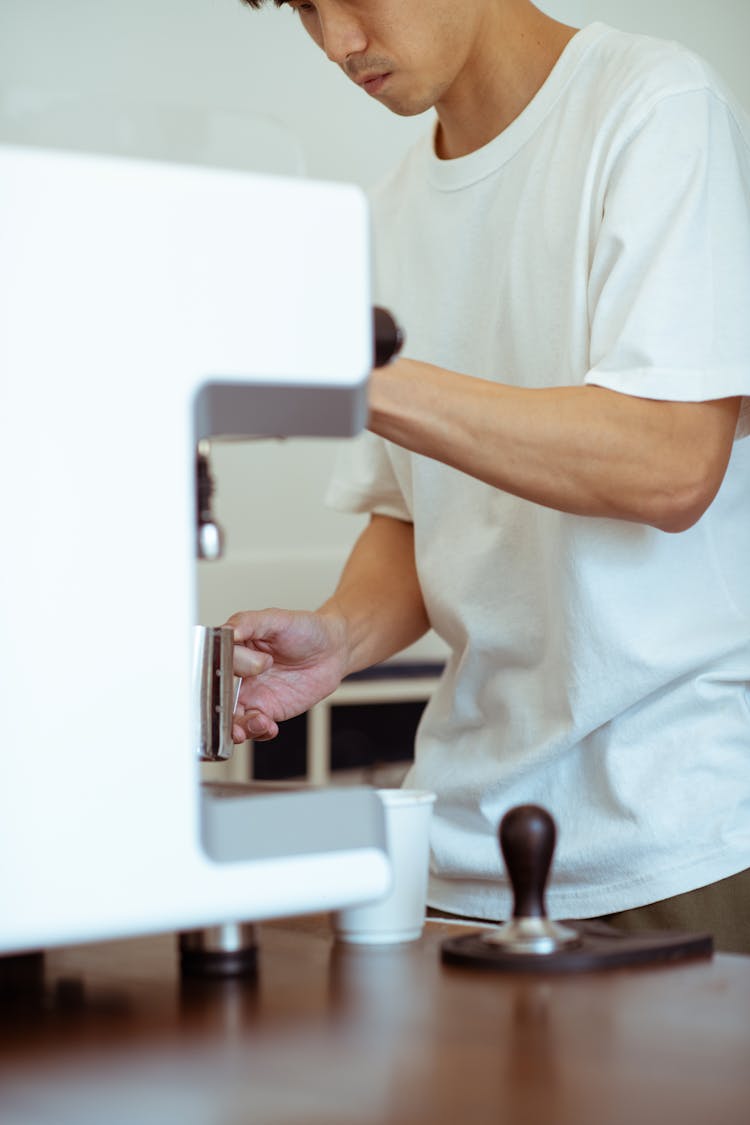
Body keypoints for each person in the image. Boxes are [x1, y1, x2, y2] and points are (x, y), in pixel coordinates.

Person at [232, 0, 750, 951]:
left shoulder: (653, 106)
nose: (339, 43)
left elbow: (673, 463)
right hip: (458, 848)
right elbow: (415, 516)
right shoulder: (388, 211)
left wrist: (369, 379)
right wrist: (340, 638)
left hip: (677, 838)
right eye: (307, 10)